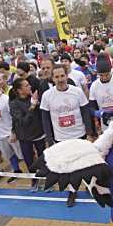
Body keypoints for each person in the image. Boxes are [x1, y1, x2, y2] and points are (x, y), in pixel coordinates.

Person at [40, 64, 95, 207]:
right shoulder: (47, 95)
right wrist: (49, 139)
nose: (60, 79)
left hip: (80, 135)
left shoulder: (77, 92)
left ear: (67, 76)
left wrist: (89, 133)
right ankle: (72, 191)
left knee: (85, 163)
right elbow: (45, 119)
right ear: (52, 78)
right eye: (56, 77)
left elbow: (85, 113)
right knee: (68, 167)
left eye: (62, 76)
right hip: (61, 139)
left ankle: (91, 186)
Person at [9, 77, 45, 192]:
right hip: (24, 136)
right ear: (19, 90)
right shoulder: (14, 104)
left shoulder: (34, 98)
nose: (29, 86)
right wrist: (32, 107)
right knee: (29, 160)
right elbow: (21, 122)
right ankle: (34, 180)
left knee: (42, 157)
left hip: (39, 133)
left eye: (29, 84)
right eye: (26, 85)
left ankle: (44, 179)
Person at [89, 55, 113, 132]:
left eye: (107, 74)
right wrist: (100, 114)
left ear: (110, 70)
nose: (104, 77)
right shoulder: (94, 85)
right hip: (105, 122)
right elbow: (91, 107)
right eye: (101, 75)